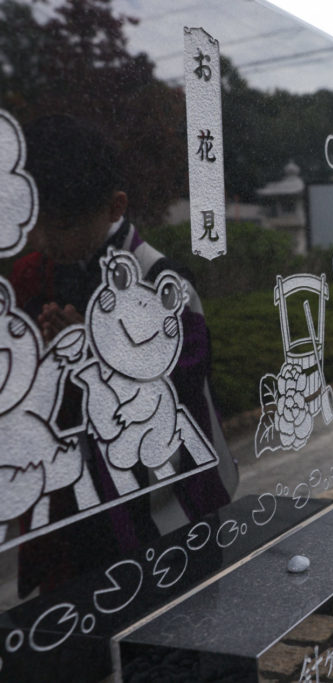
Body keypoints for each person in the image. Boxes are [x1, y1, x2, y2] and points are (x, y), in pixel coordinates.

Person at [10, 114, 237, 594]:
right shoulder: (32, 275)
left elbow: (181, 381)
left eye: (64, 225)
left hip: (163, 507)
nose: (48, 240)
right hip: (70, 508)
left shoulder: (158, 277)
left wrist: (96, 350)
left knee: (171, 642)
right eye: (38, 225)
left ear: (115, 208)